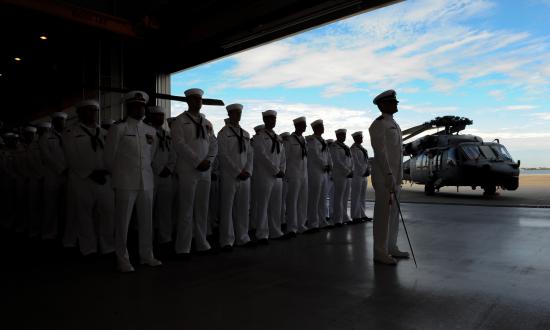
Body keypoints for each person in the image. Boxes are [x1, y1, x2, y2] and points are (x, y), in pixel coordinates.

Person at [104, 91, 162, 272]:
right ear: (129, 107)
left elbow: (151, 156)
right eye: (136, 105)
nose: (140, 108)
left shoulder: (151, 131)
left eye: (142, 105)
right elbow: (109, 158)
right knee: (123, 223)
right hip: (125, 182)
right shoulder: (118, 129)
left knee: (146, 222)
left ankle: (147, 255)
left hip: (146, 182)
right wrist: (120, 174)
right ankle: (122, 258)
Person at [64, 100, 114, 257]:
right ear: (79, 113)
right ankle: (89, 248)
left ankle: (108, 246)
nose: (92, 114)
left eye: (94, 111)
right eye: (88, 110)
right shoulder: (70, 133)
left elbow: (112, 155)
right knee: (84, 215)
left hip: (104, 179)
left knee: (108, 212)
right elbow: (71, 156)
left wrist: (107, 171)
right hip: (82, 179)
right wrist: (90, 173)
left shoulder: (106, 133)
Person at [171, 88, 218, 256]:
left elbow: (214, 144)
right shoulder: (179, 121)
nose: (197, 102)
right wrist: (197, 161)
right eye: (194, 99)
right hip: (188, 170)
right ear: (188, 101)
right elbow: (179, 144)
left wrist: (209, 161)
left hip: (205, 170)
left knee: (202, 208)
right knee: (186, 209)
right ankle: (183, 247)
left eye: (199, 99)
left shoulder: (207, 123)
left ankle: (201, 242)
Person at [369, 89, 409, 265]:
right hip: (385, 177)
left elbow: (397, 153)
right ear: (382, 105)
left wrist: (398, 176)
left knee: (394, 215)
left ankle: (391, 247)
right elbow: (380, 152)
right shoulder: (379, 124)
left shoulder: (394, 124)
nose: (396, 104)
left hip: (395, 177)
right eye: (392, 102)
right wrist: (388, 175)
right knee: (383, 215)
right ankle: (380, 251)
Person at [217, 104, 254, 250]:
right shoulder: (223, 133)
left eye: (239, 113)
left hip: (245, 176)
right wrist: (238, 171)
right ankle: (227, 240)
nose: (237, 115)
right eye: (235, 113)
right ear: (229, 114)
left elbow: (250, 154)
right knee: (227, 208)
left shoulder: (245, 134)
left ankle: (243, 237)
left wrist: (248, 171)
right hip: (230, 175)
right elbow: (224, 155)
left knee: (243, 207)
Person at [253, 110, 286, 243]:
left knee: (276, 205)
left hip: (277, 175)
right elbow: (261, 156)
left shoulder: (278, 138)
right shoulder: (259, 136)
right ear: (265, 120)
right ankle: (262, 233)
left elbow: (283, 156)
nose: (273, 121)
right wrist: (274, 169)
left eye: (274, 119)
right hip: (265, 175)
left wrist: (282, 169)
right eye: (271, 119)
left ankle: (275, 230)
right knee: (263, 204)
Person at [146, 106, 176, 247]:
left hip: (166, 175)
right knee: (148, 209)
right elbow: (147, 155)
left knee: (166, 209)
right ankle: (148, 239)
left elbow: (173, 153)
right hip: (151, 174)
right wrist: (159, 169)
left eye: (162, 115)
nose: (161, 118)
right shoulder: (147, 132)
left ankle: (165, 237)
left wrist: (169, 168)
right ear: (151, 117)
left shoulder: (168, 134)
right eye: (157, 115)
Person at [39, 112, 68, 240]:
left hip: (68, 175)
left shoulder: (68, 135)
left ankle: (64, 232)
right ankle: (49, 233)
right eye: (57, 120)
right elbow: (47, 157)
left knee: (66, 206)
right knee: (50, 206)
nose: (60, 123)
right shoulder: (45, 137)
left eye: (62, 120)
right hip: (52, 176)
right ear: (53, 122)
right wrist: (61, 169)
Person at [306, 119, 333, 231]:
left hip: (324, 172)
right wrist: (324, 165)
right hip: (315, 171)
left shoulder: (323, 141)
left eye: (323, 125)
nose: (323, 128)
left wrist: (330, 165)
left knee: (322, 198)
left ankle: (322, 221)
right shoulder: (312, 140)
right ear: (315, 128)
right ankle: (313, 223)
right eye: (321, 126)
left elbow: (328, 154)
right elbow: (315, 155)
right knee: (314, 198)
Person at [283, 118, 308, 236]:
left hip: (303, 174)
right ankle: (292, 227)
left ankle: (301, 225)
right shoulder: (289, 140)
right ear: (297, 126)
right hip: (293, 173)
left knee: (302, 201)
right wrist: (286, 173)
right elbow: (285, 157)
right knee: (292, 201)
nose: (306, 126)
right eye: (303, 125)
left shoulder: (303, 140)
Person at [329, 129, 353, 227]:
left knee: (345, 197)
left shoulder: (346, 147)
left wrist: (351, 170)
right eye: (342, 135)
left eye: (345, 135)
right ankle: (337, 219)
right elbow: (337, 161)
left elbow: (351, 160)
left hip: (347, 175)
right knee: (338, 198)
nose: (344, 136)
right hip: (339, 174)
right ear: (338, 136)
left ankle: (344, 217)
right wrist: (348, 171)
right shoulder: (334, 146)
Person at [350, 131, 372, 223]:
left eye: (362, 137)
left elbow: (366, 162)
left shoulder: (363, 149)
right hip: (357, 175)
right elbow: (356, 163)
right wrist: (364, 171)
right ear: (356, 138)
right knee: (356, 196)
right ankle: (355, 216)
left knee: (362, 196)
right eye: (360, 137)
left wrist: (368, 170)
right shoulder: (353, 149)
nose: (362, 138)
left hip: (364, 175)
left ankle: (362, 214)